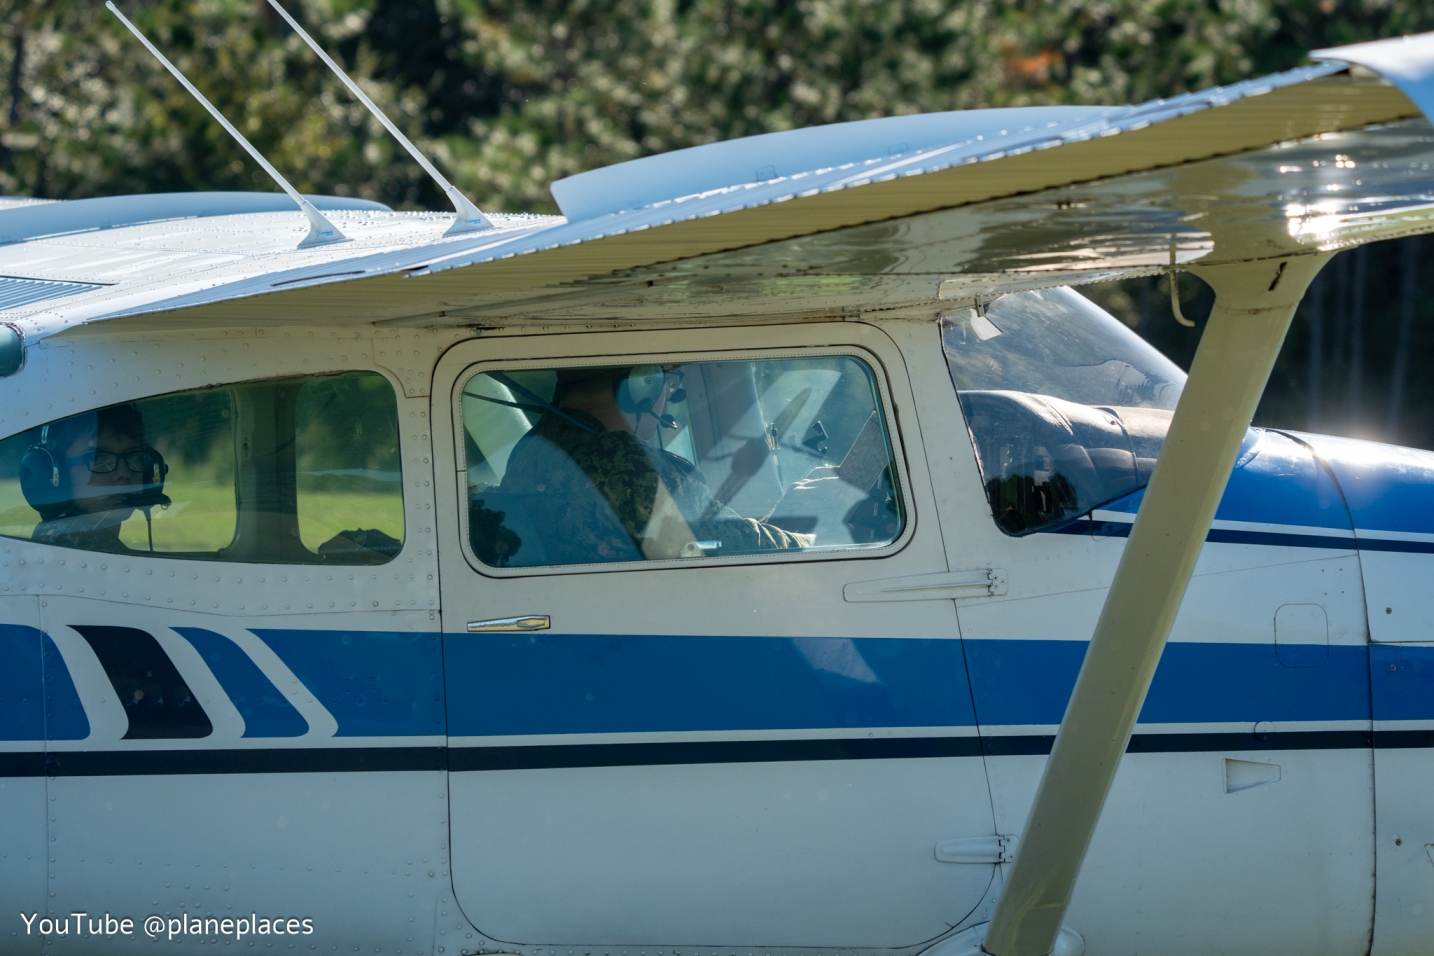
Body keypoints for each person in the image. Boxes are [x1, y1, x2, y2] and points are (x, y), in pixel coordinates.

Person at [490, 365, 809, 565]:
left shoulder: (530, 455)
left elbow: (693, 536)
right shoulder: (625, 464)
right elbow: (730, 547)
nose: (670, 395)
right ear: (642, 384)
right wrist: (813, 535)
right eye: (669, 382)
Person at [24, 404, 166, 553]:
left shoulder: (64, 541)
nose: (124, 473)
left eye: (134, 457)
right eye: (98, 458)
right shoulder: (69, 548)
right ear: (57, 472)